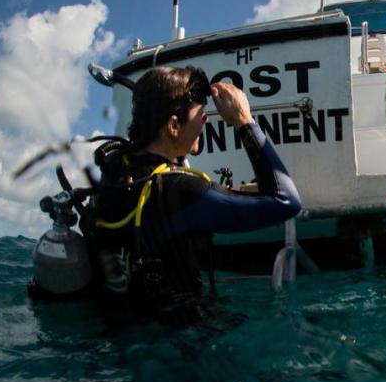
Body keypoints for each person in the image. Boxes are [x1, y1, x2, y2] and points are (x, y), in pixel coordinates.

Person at [93, 66, 301, 314]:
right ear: (173, 126)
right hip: (184, 337)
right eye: (201, 112)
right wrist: (245, 122)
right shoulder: (181, 190)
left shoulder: (118, 172)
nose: (206, 118)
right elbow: (287, 201)